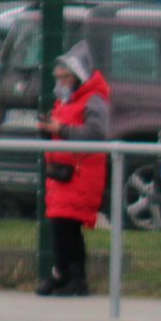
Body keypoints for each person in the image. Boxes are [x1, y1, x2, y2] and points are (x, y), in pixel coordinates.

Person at [38, 44, 110, 298]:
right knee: (60, 226)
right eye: (58, 78)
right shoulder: (65, 101)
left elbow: (97, 133)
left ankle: (76, 278)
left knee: (69, 227)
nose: (60, 83)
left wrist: (61, 129)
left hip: (81, 174)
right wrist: (48, 130)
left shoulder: (93, 99)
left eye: (64, 77)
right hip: (61, 174)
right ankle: (62, 274)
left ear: (77, 76)